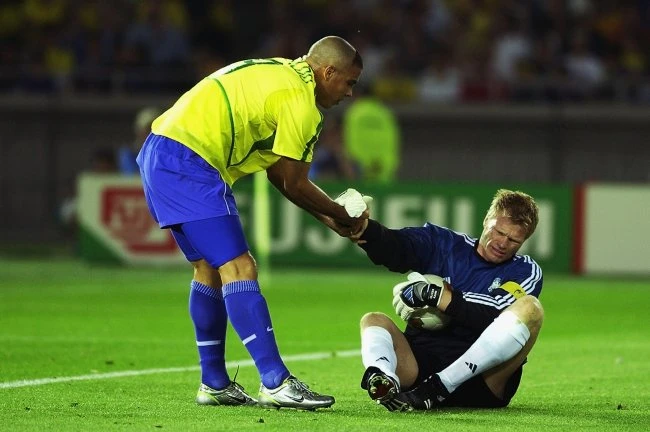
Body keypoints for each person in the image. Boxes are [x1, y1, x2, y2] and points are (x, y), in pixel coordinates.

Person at [136, 36, 366, 410]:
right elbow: (294, 182)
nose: (350, 93)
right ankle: (275, 381)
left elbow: (280, 173)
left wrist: (330, 218)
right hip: (191, 161)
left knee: (209, 269)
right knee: (240, 267)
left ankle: (214, 384)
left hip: (163, 150)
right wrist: (342, 215)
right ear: (328, 72)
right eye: (349, 83)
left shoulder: (282, 73)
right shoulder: (301, 102)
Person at [351, 189, 544, 411]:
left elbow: (495, 312)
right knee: (373, 320)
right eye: (498, 232)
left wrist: (438, 296)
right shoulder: (443, 243)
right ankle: (382, 379)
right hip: (419, 368)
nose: (502, 243)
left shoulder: (525, 270)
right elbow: (397, 247)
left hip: (483, 380)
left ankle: (441, 386)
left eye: (513, 240)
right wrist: (366, 230)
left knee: (531, 308)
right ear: (486, 220)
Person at [117, 106, 163, 175]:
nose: (152, 133)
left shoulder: (168, 153)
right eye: (148, 128)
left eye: (156, 128)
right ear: (139, 130)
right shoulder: (128, 153)